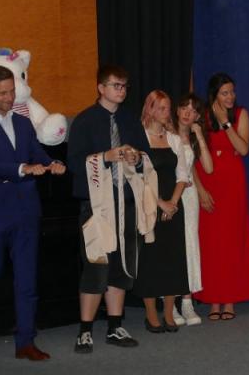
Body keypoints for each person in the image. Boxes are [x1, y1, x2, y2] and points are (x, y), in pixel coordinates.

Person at [0, 66, 65, 367]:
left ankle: (26, 342)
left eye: (12, 91)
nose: (9, 98)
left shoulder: (23, 122)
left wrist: (52, 163)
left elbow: (37, 154)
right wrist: (22, 169)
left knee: (27, 278)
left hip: (26, 210)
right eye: (3, 93)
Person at [68, 64, 150, 353]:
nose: (121, 91)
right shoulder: (85, 121)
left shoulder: (130, 120)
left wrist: (135, 158)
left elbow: (145, 157)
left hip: (125, 203)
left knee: (121, 266)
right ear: (101, 88)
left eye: (125, 86)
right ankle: (85, 330)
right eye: (116, 85)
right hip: (97, 206)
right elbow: (74, 162)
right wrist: (104, 156)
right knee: (96, 265)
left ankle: (115, 326)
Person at [195, 73, 249, 320]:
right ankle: (212, 299)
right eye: (225, 93)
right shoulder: (202, 115)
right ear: (214, 95)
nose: (230, 97)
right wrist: (200, 189)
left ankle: (229, 298)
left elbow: (243, 149)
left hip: (232, 182)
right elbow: (192, 153)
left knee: (231, 240)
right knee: (210, 242)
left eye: (232, 91)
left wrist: (226, 123)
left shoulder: (241, 114)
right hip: (208, 179)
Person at [132, 90, 190, 333]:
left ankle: (168, 312)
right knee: (151, 259)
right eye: (162, 108)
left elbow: (183, 175)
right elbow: (136, 178)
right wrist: (160, 203)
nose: (167, 113)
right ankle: (150, 314)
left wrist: (173, 203)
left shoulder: (174, 139)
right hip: (149, 205)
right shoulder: (139, 138)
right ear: (151, 109)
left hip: (173, 206)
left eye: (168, 108)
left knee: (173, 259)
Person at [171, 93, 214, 326]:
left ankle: (187, 302)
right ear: (177, 110)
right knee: (171, 245)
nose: (188, 113)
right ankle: (170, 302)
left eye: (194, 110)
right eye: (184, 107)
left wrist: (199, 135)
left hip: (188, 197)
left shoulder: (194, 138)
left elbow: (207, 168)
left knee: (189, 244)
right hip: (170, 193)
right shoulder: (166, 133)